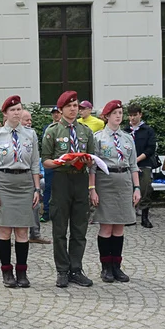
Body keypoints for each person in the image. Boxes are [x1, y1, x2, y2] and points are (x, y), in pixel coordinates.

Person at [42, 90, 96, 288]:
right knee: (60, 228)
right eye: (70, 106)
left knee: (79, 228)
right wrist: (60, 161)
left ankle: (76, 269)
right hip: (61, 180)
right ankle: (62, 270)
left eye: (76, 106)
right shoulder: (53, 131)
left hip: (80, 181)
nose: (74, 109)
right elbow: (45, 160)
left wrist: (86, 161)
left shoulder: (85, 131)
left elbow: (93, 160)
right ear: (61, 109)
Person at [0, 96, 41, 288]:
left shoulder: (30, 134)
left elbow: (35, 163)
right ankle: (6, 271)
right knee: (5, 230)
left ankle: (22, 271)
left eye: (19, 109)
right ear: (5, 114)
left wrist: (36, 189)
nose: (17, 113)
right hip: (4, 183)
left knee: (22, 231)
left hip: (25, 183)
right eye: (13, 110)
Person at [89, 100, 141, 284]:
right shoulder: (98, 138)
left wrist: (137, 188)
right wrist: (92, 189)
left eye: (120, 112)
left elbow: (134, 165)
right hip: (105, 182)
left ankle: (117, 266)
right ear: (107, 116)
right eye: (115, 113)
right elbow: (93, 166)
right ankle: (106, 267)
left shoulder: (127, 138)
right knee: (106, 226)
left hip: (124, 182)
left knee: (119, 226)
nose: (119, 115)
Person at [21, 109, 51, 245]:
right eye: (26, 120)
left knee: (35, 205)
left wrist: (38, 174)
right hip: (13, 178)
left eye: (30, 120)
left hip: (30, 176)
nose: (29, 122)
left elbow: (35, 158)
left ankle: (35, 234)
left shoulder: (31, 135)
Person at [125, 104, 156, 228]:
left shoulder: (148, 130)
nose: (132, 118)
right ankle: (129, 216)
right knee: (128, 190)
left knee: (145, 189)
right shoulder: (125, 131)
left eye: (135, 115)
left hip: (144, 164)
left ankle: (145, 217)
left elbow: (150, 148)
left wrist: (136, 160)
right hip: (128, 165)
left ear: (140, 114)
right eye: (130, 115)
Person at [40, 106, 62, 222]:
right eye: (54, 113)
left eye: (58, 113)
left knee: (62, 188)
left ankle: (61, 213)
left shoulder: (66, 128)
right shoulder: (47, 128)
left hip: (62, 163)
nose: (56, 115)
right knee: (48, 188)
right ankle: (46, 212)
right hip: (50, 162)